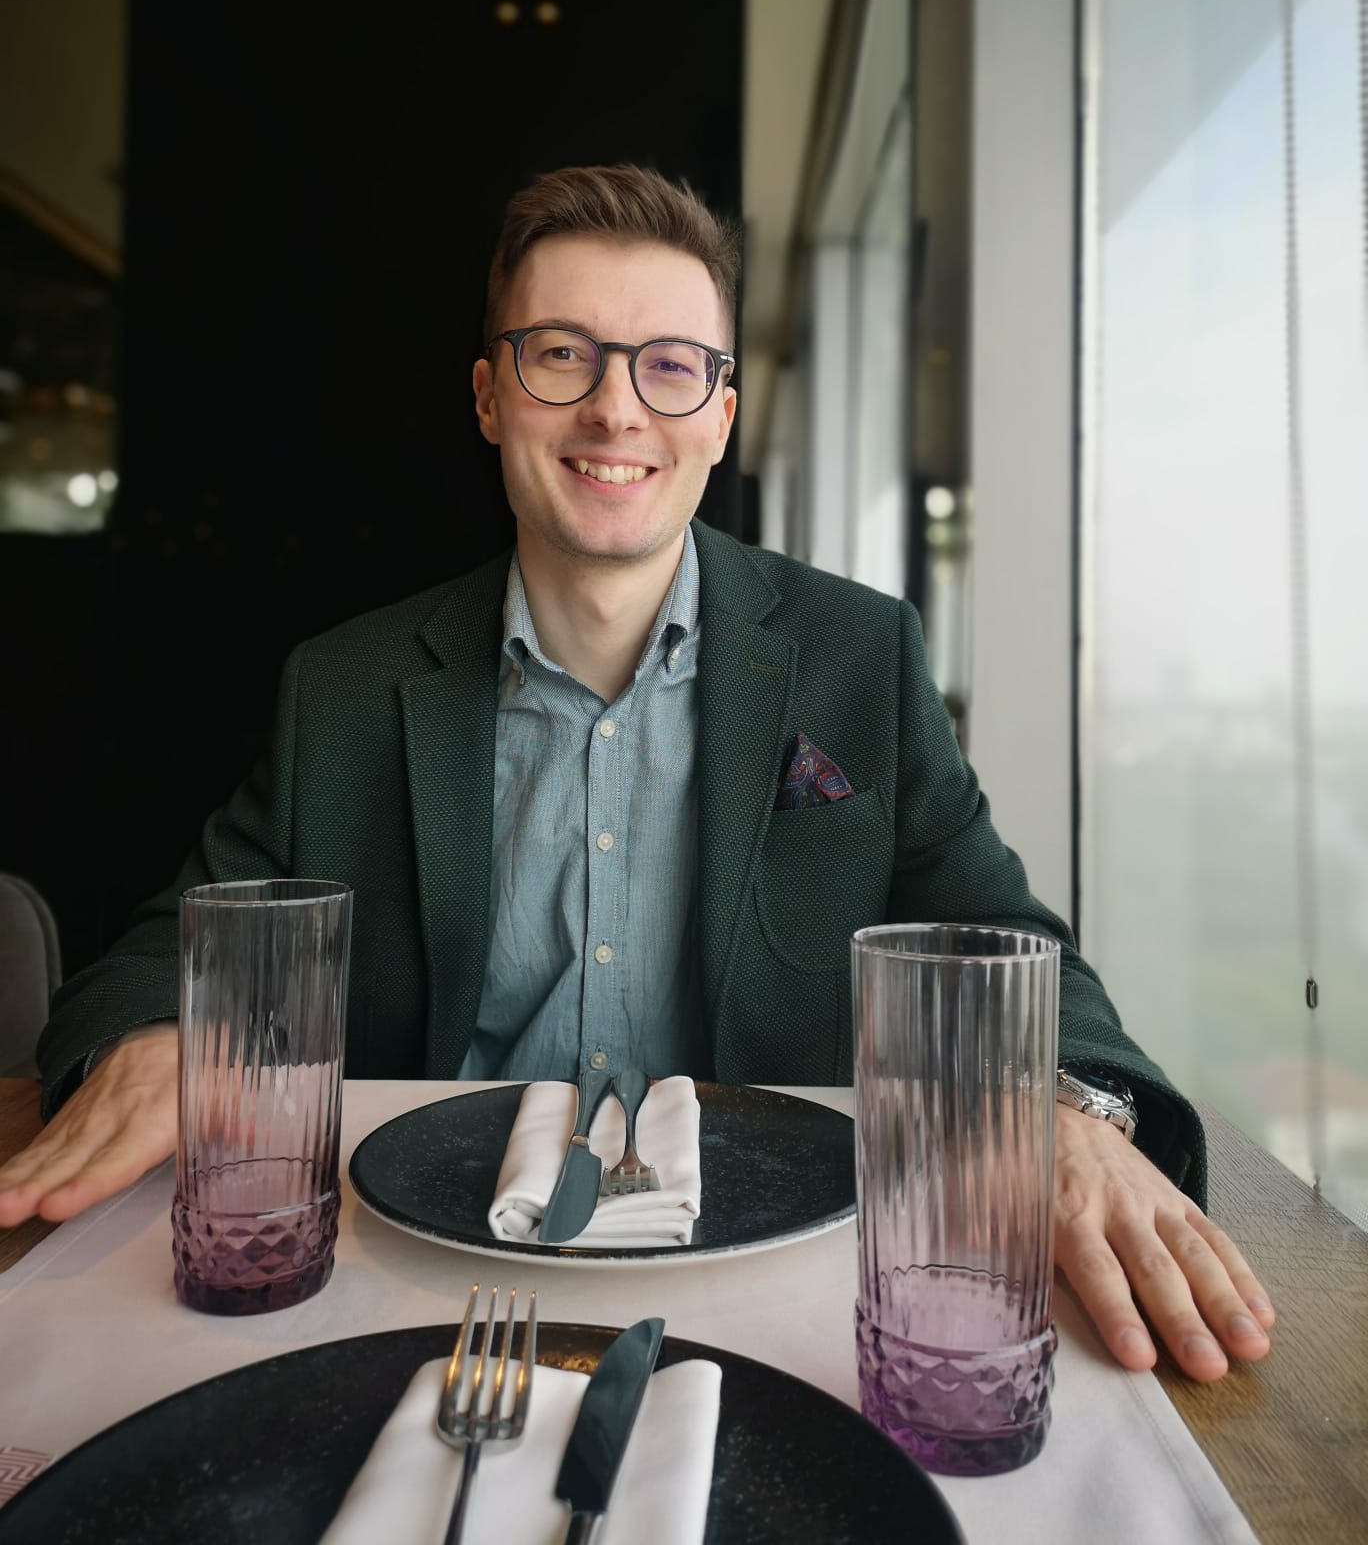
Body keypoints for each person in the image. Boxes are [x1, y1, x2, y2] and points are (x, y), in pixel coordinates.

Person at [0, 165, 1274, 1382]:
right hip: (415, 1275)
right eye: (563, 355)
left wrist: (1068, 1110)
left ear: (720, 415)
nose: (617, 411)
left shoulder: (860, 658)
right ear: (491, 397)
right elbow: (174, 944)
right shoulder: (341, 686)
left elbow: (1001, 937)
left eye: (670, 366)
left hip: (787, 1275)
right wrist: (162, 1034)